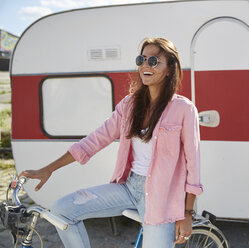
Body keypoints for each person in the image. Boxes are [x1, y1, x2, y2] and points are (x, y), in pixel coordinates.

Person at [19, 37, 203, 248]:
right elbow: (94, 141)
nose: (145, 65)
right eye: (141, 59)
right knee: (62, 210)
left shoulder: (184, 109)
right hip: (128, 187)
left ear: (170, 69)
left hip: (163, 200)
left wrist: (187, 213)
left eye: (153, 61)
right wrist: (48, 169)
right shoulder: (129, 105)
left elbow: (193, 165)